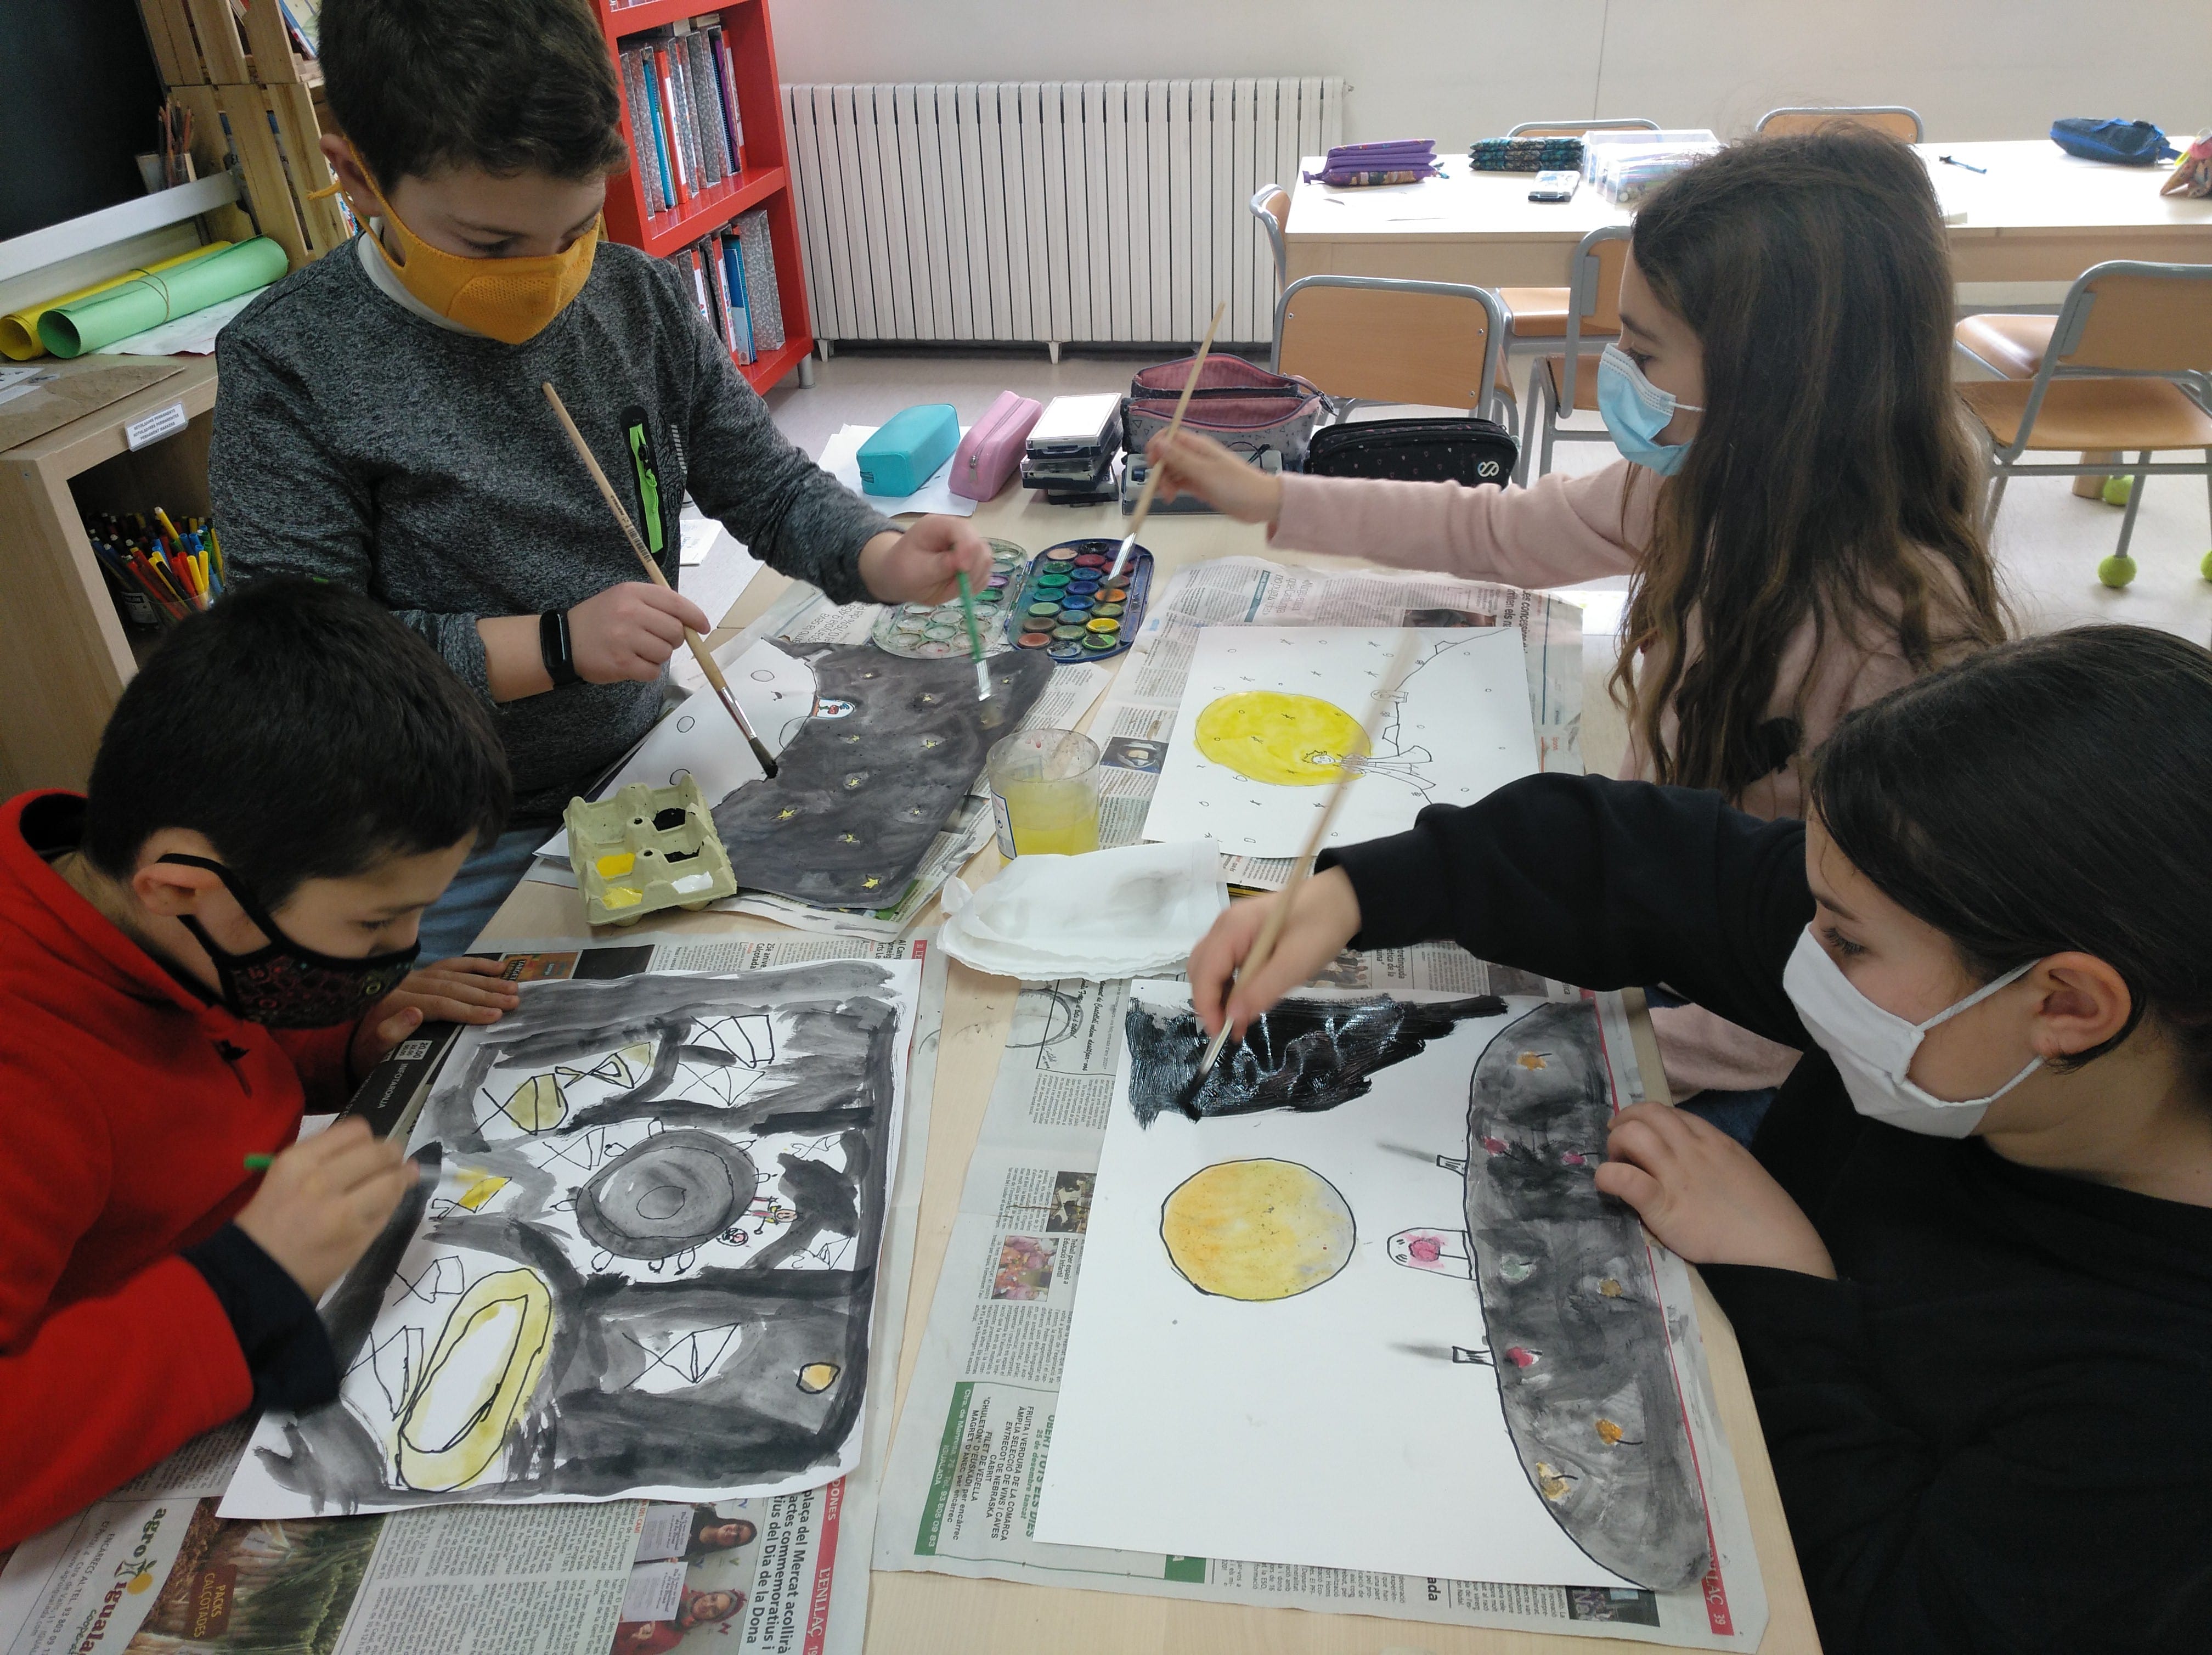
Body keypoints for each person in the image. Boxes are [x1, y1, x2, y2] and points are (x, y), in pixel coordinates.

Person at [1186, 626, 2212, 1654]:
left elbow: (1894, 1613)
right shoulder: (1986, 993)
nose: (1808, 950)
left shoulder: (2162, 1409)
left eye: (1845, 939)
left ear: (2068, 1005)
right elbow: (1640, 856)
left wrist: (1783, 1282)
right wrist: (1357, 894)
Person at [1149, 128, 2010, 1119]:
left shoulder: (1897, 638)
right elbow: (1499, 531)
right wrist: (1277, 500)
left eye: (1642, 352)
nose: (1614, 376)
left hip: (1754, 1038)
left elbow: (1863, 958)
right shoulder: (1694, 490)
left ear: (1769, 381)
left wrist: (1629, 1056)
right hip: (1639, 918)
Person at [210, 0, 993, 958]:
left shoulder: (633, 296)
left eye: (576, 229)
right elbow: (301, 666)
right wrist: (554, 644)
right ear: (358, 179)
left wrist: (879, 555)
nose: (544, 278)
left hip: (641, 759)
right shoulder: (292, 362)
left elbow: (766, 484)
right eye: (490, 246)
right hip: (435, 836)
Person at [0, 581, 521, 1547]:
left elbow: (218, 1049)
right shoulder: (24, 1074)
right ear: (179, 889)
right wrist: (249, 1285)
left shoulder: (151, 915)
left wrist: (342, 1041)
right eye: (374, 924)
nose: (402, 950)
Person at [686, 1508, 757, 1558]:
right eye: (738, 1528)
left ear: (732, 1546)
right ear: (734, 1522)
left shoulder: (694, 1555)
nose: (732, 1534)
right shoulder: (704, 1511)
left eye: (736, 1539)